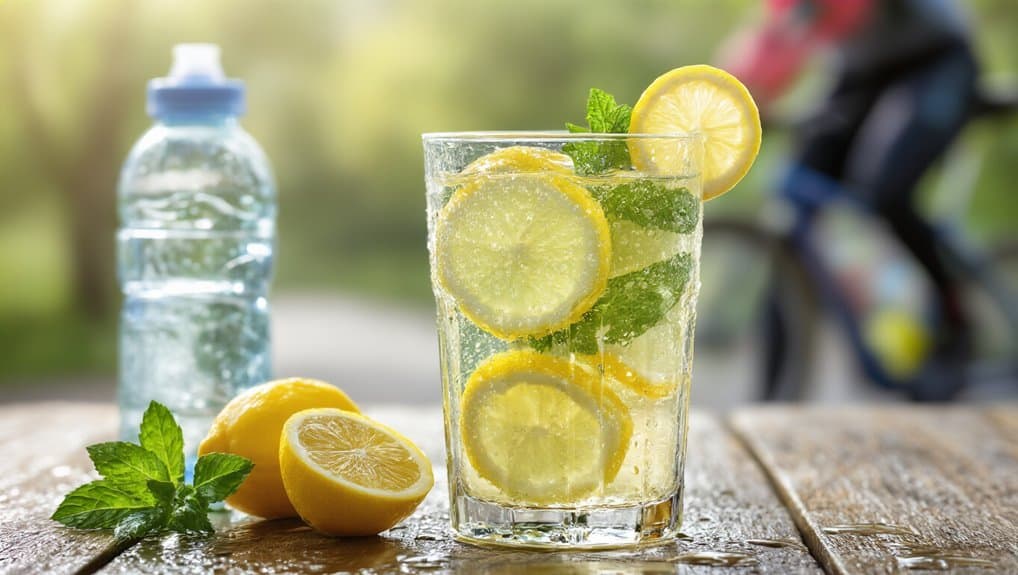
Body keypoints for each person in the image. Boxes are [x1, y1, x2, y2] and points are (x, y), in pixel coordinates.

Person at [720, 0, 980, 399]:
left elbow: (822, 17)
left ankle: (954, 324)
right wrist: (733, 98)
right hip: (861, 68)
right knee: (801, 190)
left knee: (886, 191)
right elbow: (774, 35)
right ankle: (775, 390)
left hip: (936, 61)